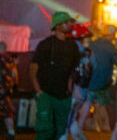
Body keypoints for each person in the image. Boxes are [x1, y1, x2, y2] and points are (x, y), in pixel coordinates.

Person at [29, 11, 81, 140]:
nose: (70, 24)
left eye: (70, 22)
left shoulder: (73, 46)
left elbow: (73, 69)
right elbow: (33, 68)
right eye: (66, 22)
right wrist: (39, 90)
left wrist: (70, 87)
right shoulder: (45, 45)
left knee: (60, 130)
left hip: (64, 96)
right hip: (46, 94)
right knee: (45, 130)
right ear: (57, 26)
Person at [76, 24, 117, 133]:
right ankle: (108, 129)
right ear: (112, 35)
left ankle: (79, 127)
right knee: (107, 104)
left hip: (90, 82)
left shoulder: (92, 44)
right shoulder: (110, 46)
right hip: (103, 83)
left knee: (88, 103)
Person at [0, 41, 17, 140]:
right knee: (8, 113)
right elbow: (15, 76)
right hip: (6, 92)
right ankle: (11, 132)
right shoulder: (10, 61)